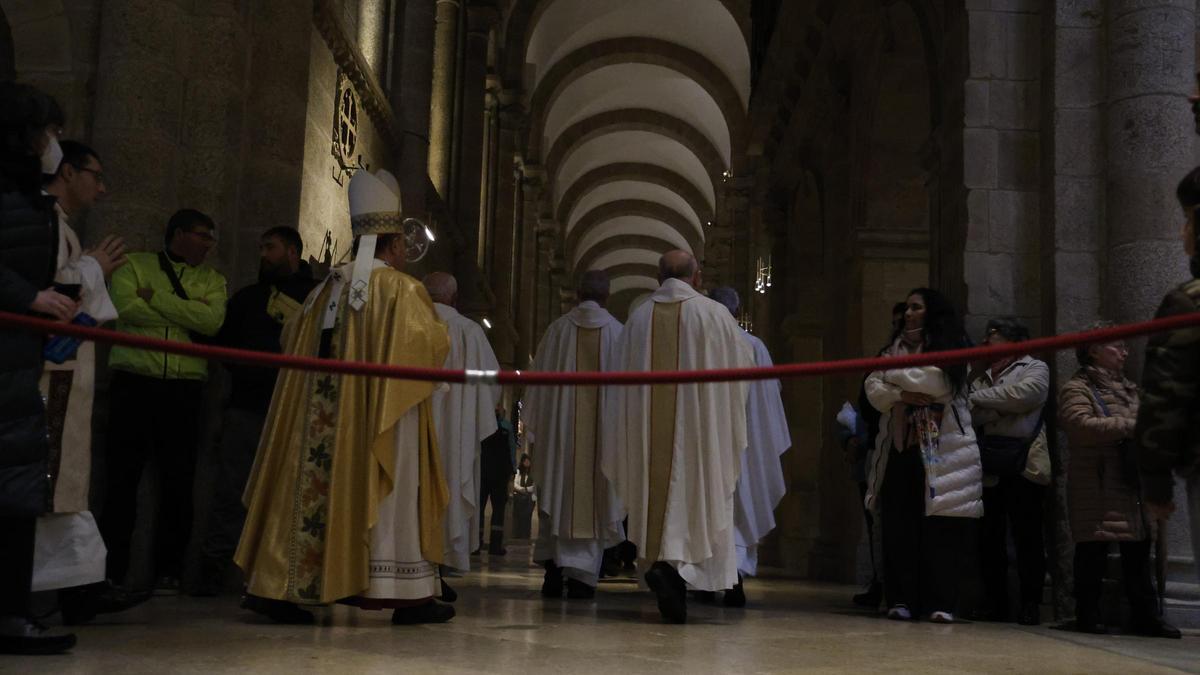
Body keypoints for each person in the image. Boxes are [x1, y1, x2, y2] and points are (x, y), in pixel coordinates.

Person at [235, 169, 453, 625]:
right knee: (390, 487)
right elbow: (430, 348)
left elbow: (291, 339)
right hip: (378, 419)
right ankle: (399, 590)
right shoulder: (401, 289)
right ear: (392, 245)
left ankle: (282, 585)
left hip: (318, 423)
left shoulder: (321, 290)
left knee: (310, 489)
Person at [602, 250, 755, 623]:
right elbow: (742, 373)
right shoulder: (716, 316)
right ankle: (677, 573)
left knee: (658, 498)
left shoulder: (638, 317)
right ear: (697, 277)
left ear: (658, 277)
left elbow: (619, 387)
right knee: (699, 498)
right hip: (702, 437)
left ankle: (664, 567)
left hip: (647, 438)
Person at [36, 139, 150, 624]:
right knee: (50, 485)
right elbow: (48, 293)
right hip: (48, 379)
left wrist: (90, 270)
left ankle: (78, 590)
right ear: (67, 172)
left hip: (66, 374)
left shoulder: (62, 229)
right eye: (95, 176)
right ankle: (67, 594)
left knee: (67, 487)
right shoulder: (44, 225)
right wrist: (93, 270)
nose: (101, 188)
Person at [100, 208, 227, 594]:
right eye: (203, 235)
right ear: (178, 234)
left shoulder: (213, 279)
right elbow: (126, 309)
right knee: (121, 483)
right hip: (134, 383)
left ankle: (168, 572)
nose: (209, 244)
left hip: (184, 391)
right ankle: (110, 572)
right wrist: (187, 312)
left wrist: (155, 298)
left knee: (179, 484)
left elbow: (211, 323)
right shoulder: (133, 265)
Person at [192, 226, 318, 596]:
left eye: (271, 247)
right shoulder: (247, 298)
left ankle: (284, 575)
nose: (264, 254)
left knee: (291, 494)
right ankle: (219, 571)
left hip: (295, 412)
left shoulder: (314, 299)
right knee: (233, 490)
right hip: (247, 408)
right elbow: (223, 346)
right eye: (261, 247)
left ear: (293, 251)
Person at [0, 80, 78, 655]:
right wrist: (28, 297)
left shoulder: (30, 197)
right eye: (50, 133)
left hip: (16, 362)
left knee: (17, 486)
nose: (57, 144)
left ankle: (13, 612)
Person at [864, 288, 982, 624]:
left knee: (942, 531)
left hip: (945, 452)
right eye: (909, 308)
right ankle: (902, 598)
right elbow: (872, 387)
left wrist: (892, 379)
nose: (909, 313)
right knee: (900, 525)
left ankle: (941, 601)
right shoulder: (893, 349)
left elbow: (937, 382)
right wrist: (901, 392)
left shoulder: (953, 346)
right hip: (903, 449)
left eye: (917, 307)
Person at [1059, 325, 1180, 638]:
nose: (1125, 353)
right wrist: (1130, 426)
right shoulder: (1077, 387)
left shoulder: (1130, 389)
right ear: (1093, 350)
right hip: (1096, 482)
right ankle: (1088, 613)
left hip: (1130, 483)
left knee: (1138, 553)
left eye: (1126, 347)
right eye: (1117, 346)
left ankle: (1146, 616)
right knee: (1093, 551)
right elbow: (1079, 425)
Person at [525, 269, 625, 599]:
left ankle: (554, 567)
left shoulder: (556, 332)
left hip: (561, 441)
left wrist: (537, 429)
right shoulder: (618, 335)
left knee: (558, 489)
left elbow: (536, 388)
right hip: (602, 441)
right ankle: (582, 577)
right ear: (607, 296)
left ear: (577, 294)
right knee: (595, 499)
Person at [1135, 167, 1200, 589]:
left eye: (1188, 221)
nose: (1181, 232)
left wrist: (1155, 479)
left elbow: (1167, 393)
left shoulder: (1187, 301)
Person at [709, 286, 790, 607]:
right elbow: (769, 402)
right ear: (738, 310)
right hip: (746, 446)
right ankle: (735, 577)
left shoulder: (703, 345)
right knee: (741, 507)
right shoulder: (754, 345)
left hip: (711, 446)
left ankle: (708, 578)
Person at [967, 317, 1050, 625]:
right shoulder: (982, 376)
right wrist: (1004, 404)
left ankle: (1030, 603)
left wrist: (983, 401)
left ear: (1013, 340)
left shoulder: (1035, 367)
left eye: (993, 335)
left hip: (1025, 461)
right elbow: (970, 416)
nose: (987, 340)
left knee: (1028, 537)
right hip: (989, 462)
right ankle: (995, 601)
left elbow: (1027, 396)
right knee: (989, 538)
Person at [422, 271, 500, 599]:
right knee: (451, 488)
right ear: (454, 298)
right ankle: (436, 570)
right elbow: (491, 389)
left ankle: (414, 570)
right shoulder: (470, 332)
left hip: (416, 430)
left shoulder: (409, 326)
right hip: (457, 434)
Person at [479, 404, 516, 556]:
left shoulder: (482, 425)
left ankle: (475, 544)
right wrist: (512, 469)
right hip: (500, 474)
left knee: (479, 509)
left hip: (483, 471)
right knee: (498, 510)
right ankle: (495, 545)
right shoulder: (506, 427)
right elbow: (512, 448)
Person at [511, 454, 535, 541]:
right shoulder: (518, 472)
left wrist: (526, 489)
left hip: (529, 498)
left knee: (527, 517)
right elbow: (515, 483)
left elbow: (534, 486)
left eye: (528, 461)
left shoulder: (533, 472)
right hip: (518, 497)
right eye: (525, 461)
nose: (527, 463)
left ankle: (526, 535)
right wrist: (521, 489)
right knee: (518, 516)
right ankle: (517, 534)